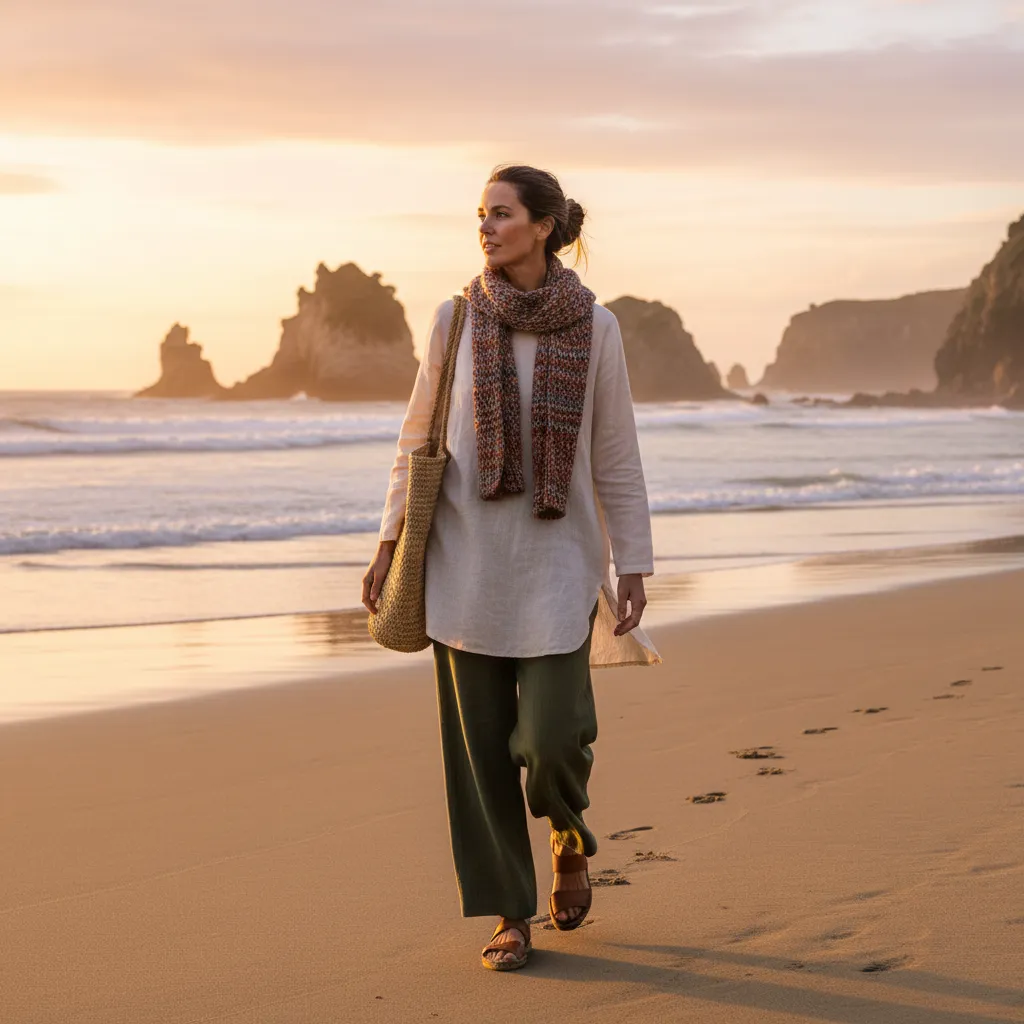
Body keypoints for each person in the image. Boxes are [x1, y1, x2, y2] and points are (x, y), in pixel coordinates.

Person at [363, 164, 660, 971]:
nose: (486, 228)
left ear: (543, 225)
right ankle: (509, 914)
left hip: (558, 564)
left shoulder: (595, 329)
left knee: (555, 738)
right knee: (480, 755)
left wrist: (632, 559)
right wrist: (389, 541)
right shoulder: (454, 319)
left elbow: (615, 452)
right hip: (465, 567)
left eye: (501, 215)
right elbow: (417, 438)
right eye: (481, 215)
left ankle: (570, 832)